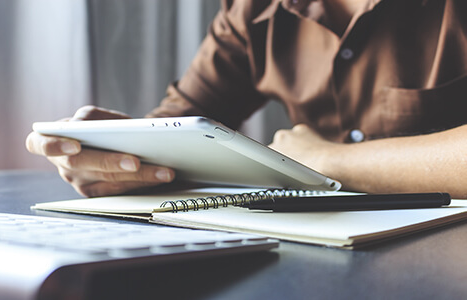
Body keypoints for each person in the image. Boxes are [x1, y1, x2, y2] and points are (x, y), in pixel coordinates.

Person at [26, 0, 467, 198]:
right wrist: (118, 160)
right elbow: (180, 128)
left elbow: (321, 162)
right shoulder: (251, 9)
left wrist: (327, 162)